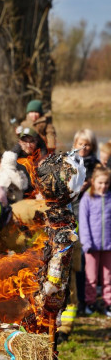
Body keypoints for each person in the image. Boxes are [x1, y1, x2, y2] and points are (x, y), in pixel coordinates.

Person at [78, 166, 111, 317]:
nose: (103, 186)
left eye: (106, 183)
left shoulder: (110, 198)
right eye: (100, 183)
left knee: (108, 276)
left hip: (108, 246)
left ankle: (108, 303)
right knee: (91, 277)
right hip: (91, 246)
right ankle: (89, 303)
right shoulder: (87, 198)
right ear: (93, 182)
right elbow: (83, 223)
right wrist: (86, 243)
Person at [73, 128, 99, 194]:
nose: (83, 148)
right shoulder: (68, 162)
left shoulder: (97, 164)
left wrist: (90, 183)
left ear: (92, 146)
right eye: (80, 144)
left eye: (87, 145)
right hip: (70, 200)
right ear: (75, 144)